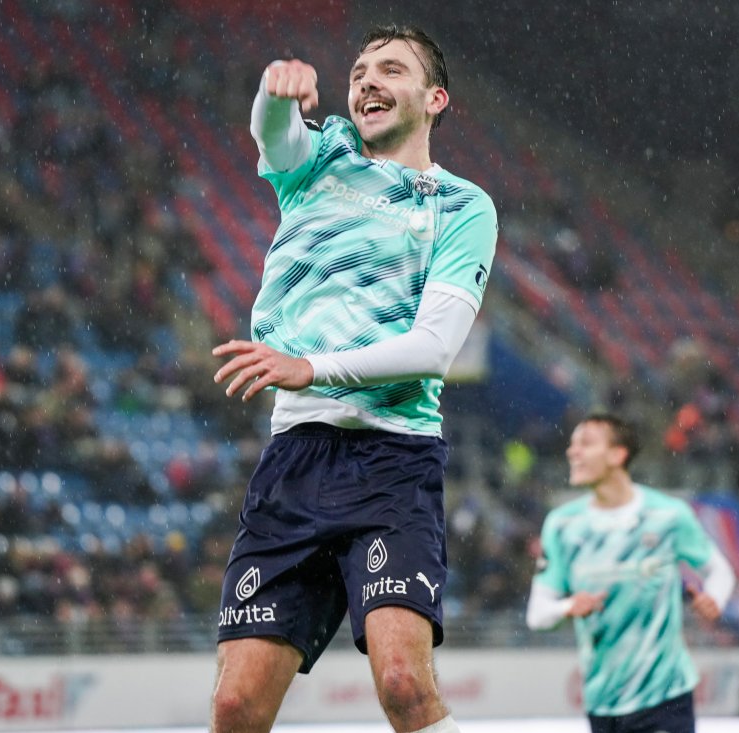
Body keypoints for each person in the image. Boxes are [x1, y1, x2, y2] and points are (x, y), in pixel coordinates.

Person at [209, 24, 497, 733]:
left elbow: (433, 348)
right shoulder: (324, 156)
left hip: (392, 458)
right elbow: (274, 135)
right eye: (360, 69)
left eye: (390, 69)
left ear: (435, 99)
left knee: (404, 685)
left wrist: (312, 368)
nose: (366, 79)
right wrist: (277, 87)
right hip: (295, 457)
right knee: (235, 706)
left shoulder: (462, 207)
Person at [526, 412, 735, 733]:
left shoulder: (667, 515)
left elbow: (719, 570)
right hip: (603, 701)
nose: (572, 452)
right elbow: (537, 615)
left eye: (586, 443)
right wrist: (569, 607)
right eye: (572, 445)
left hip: (666, 696)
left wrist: (716, 599)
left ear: (617, 454)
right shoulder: (562, 525)